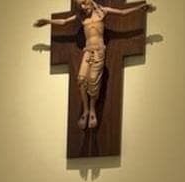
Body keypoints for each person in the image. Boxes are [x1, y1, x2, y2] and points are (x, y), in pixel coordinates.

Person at [34, 0, 155, 130]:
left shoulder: (102, 12)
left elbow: (123, 12)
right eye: (80, 6)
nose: (83, 7)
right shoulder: (81, 17)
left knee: (92, 80)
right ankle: (85, 110)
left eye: (85, 4)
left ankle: (92, 110)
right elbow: (64, 21)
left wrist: (140, 8)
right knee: (81, 79)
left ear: (91, 2)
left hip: (99, 50)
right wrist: (47, 22)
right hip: (87, 50)